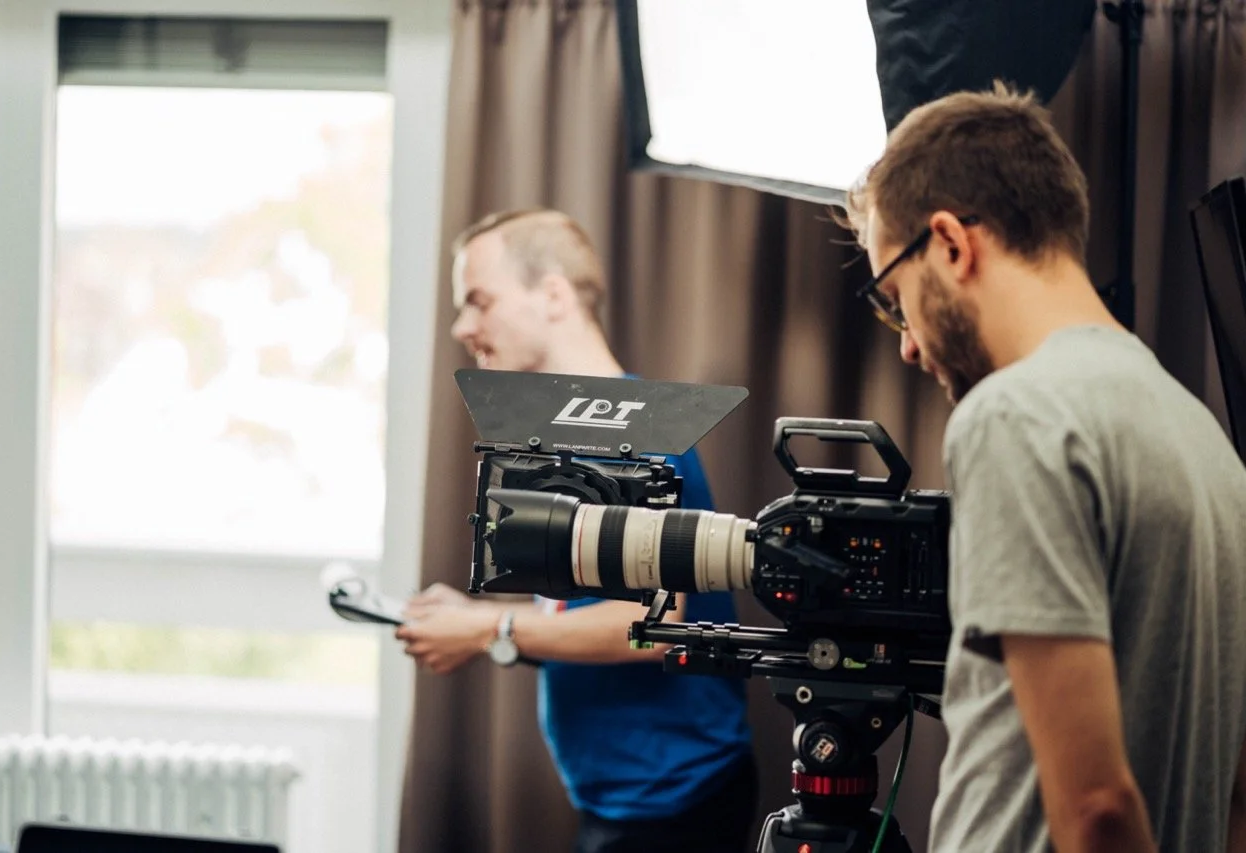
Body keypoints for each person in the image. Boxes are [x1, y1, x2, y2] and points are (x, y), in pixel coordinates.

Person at [842, 82, 1246, 853]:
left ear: (953, 244)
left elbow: (1094, 806)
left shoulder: (1018, 416)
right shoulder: (1209, 444)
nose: (907, 343)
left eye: (897, 297)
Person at [395, 209, 757, 853]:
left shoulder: (635, 431)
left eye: (479, 301)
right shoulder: (581, 429)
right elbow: (583, 602)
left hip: (676, 804)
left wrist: (486, 628)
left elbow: (649, 623)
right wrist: (476, 614)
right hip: (623, 799)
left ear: (553, 295)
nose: (462, 327)